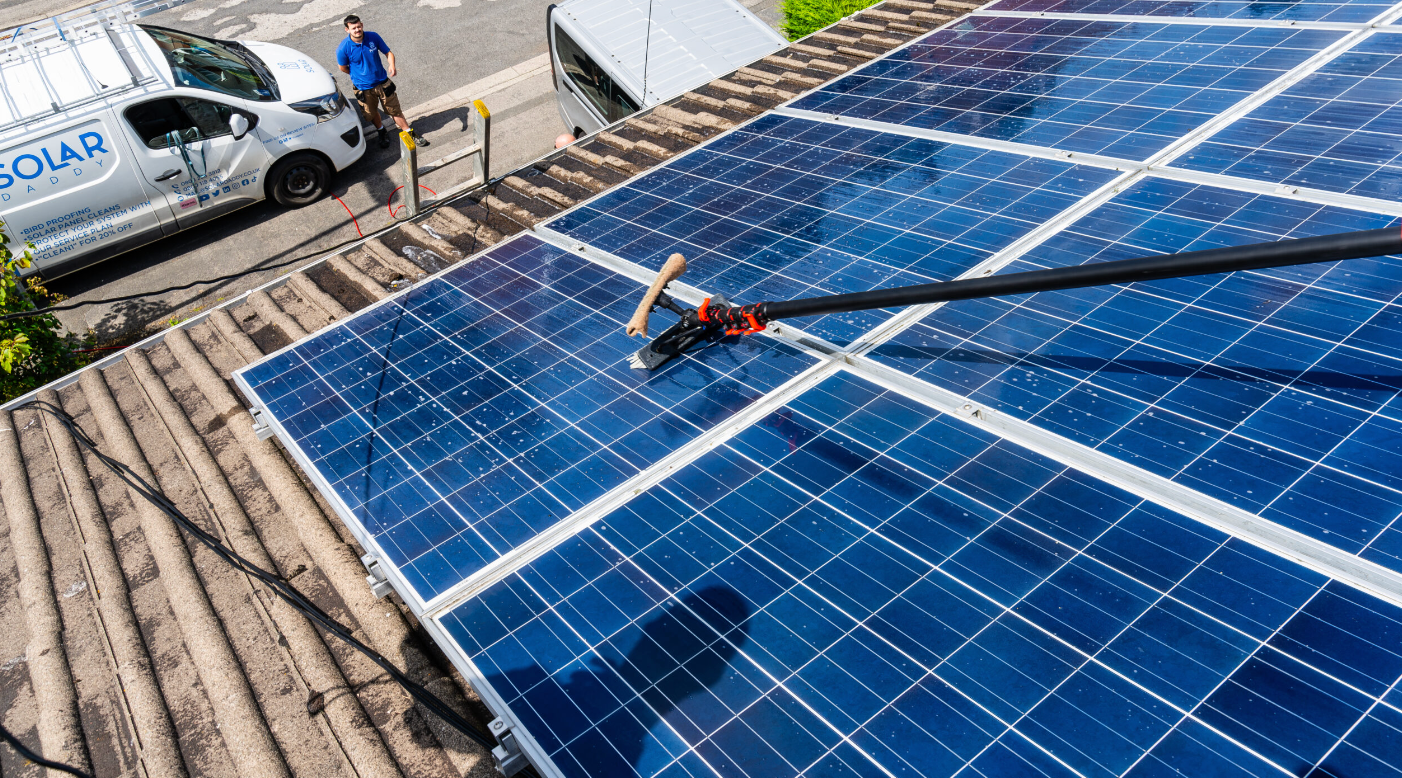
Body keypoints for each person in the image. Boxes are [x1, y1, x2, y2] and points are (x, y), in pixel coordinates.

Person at [336, 15, 429, 150]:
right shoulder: (343, 48)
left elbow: (388, 53)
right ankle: (381, 130)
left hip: (382, 83)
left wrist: (392, 65)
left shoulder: (373, 37)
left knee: (394, 110)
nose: (357, 30)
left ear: (362, 24)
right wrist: (358, 75)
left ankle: (408, 132)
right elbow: (343, 67)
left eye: (359, 26)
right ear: (347, 30)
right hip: (363, 88)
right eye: (353, 28)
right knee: (371, 113)